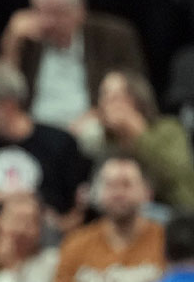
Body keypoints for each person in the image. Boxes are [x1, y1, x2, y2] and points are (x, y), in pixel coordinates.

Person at [0, 62, 90, 236]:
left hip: (46, 238)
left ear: (8, 106)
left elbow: (77, 213)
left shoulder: (59, 142)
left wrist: (52, 222)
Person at [0, 0, 145, 133]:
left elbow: (136, 90)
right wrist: (11, 43)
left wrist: (98, 114)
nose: (48, 22)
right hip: (35, 129)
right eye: (41, 12)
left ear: (80, 10)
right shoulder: (27, 39)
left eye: (57, 14)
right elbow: (2, 92)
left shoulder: (113, 36)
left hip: (89, 125)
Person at [53, 157, 166, 282]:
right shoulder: (75, 244)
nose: (118, 193)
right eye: (110, 185)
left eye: (126, 185)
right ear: (97, 193)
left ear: (147, 193)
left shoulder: (167, 242)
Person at [73, 70, 194, 213]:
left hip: (168, 212)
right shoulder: (103, 140)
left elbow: (177, 178)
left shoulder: (167, 129)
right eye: (104, 96)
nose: (108, 104)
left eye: (116, 97)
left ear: (137, 99)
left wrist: (138, 133)